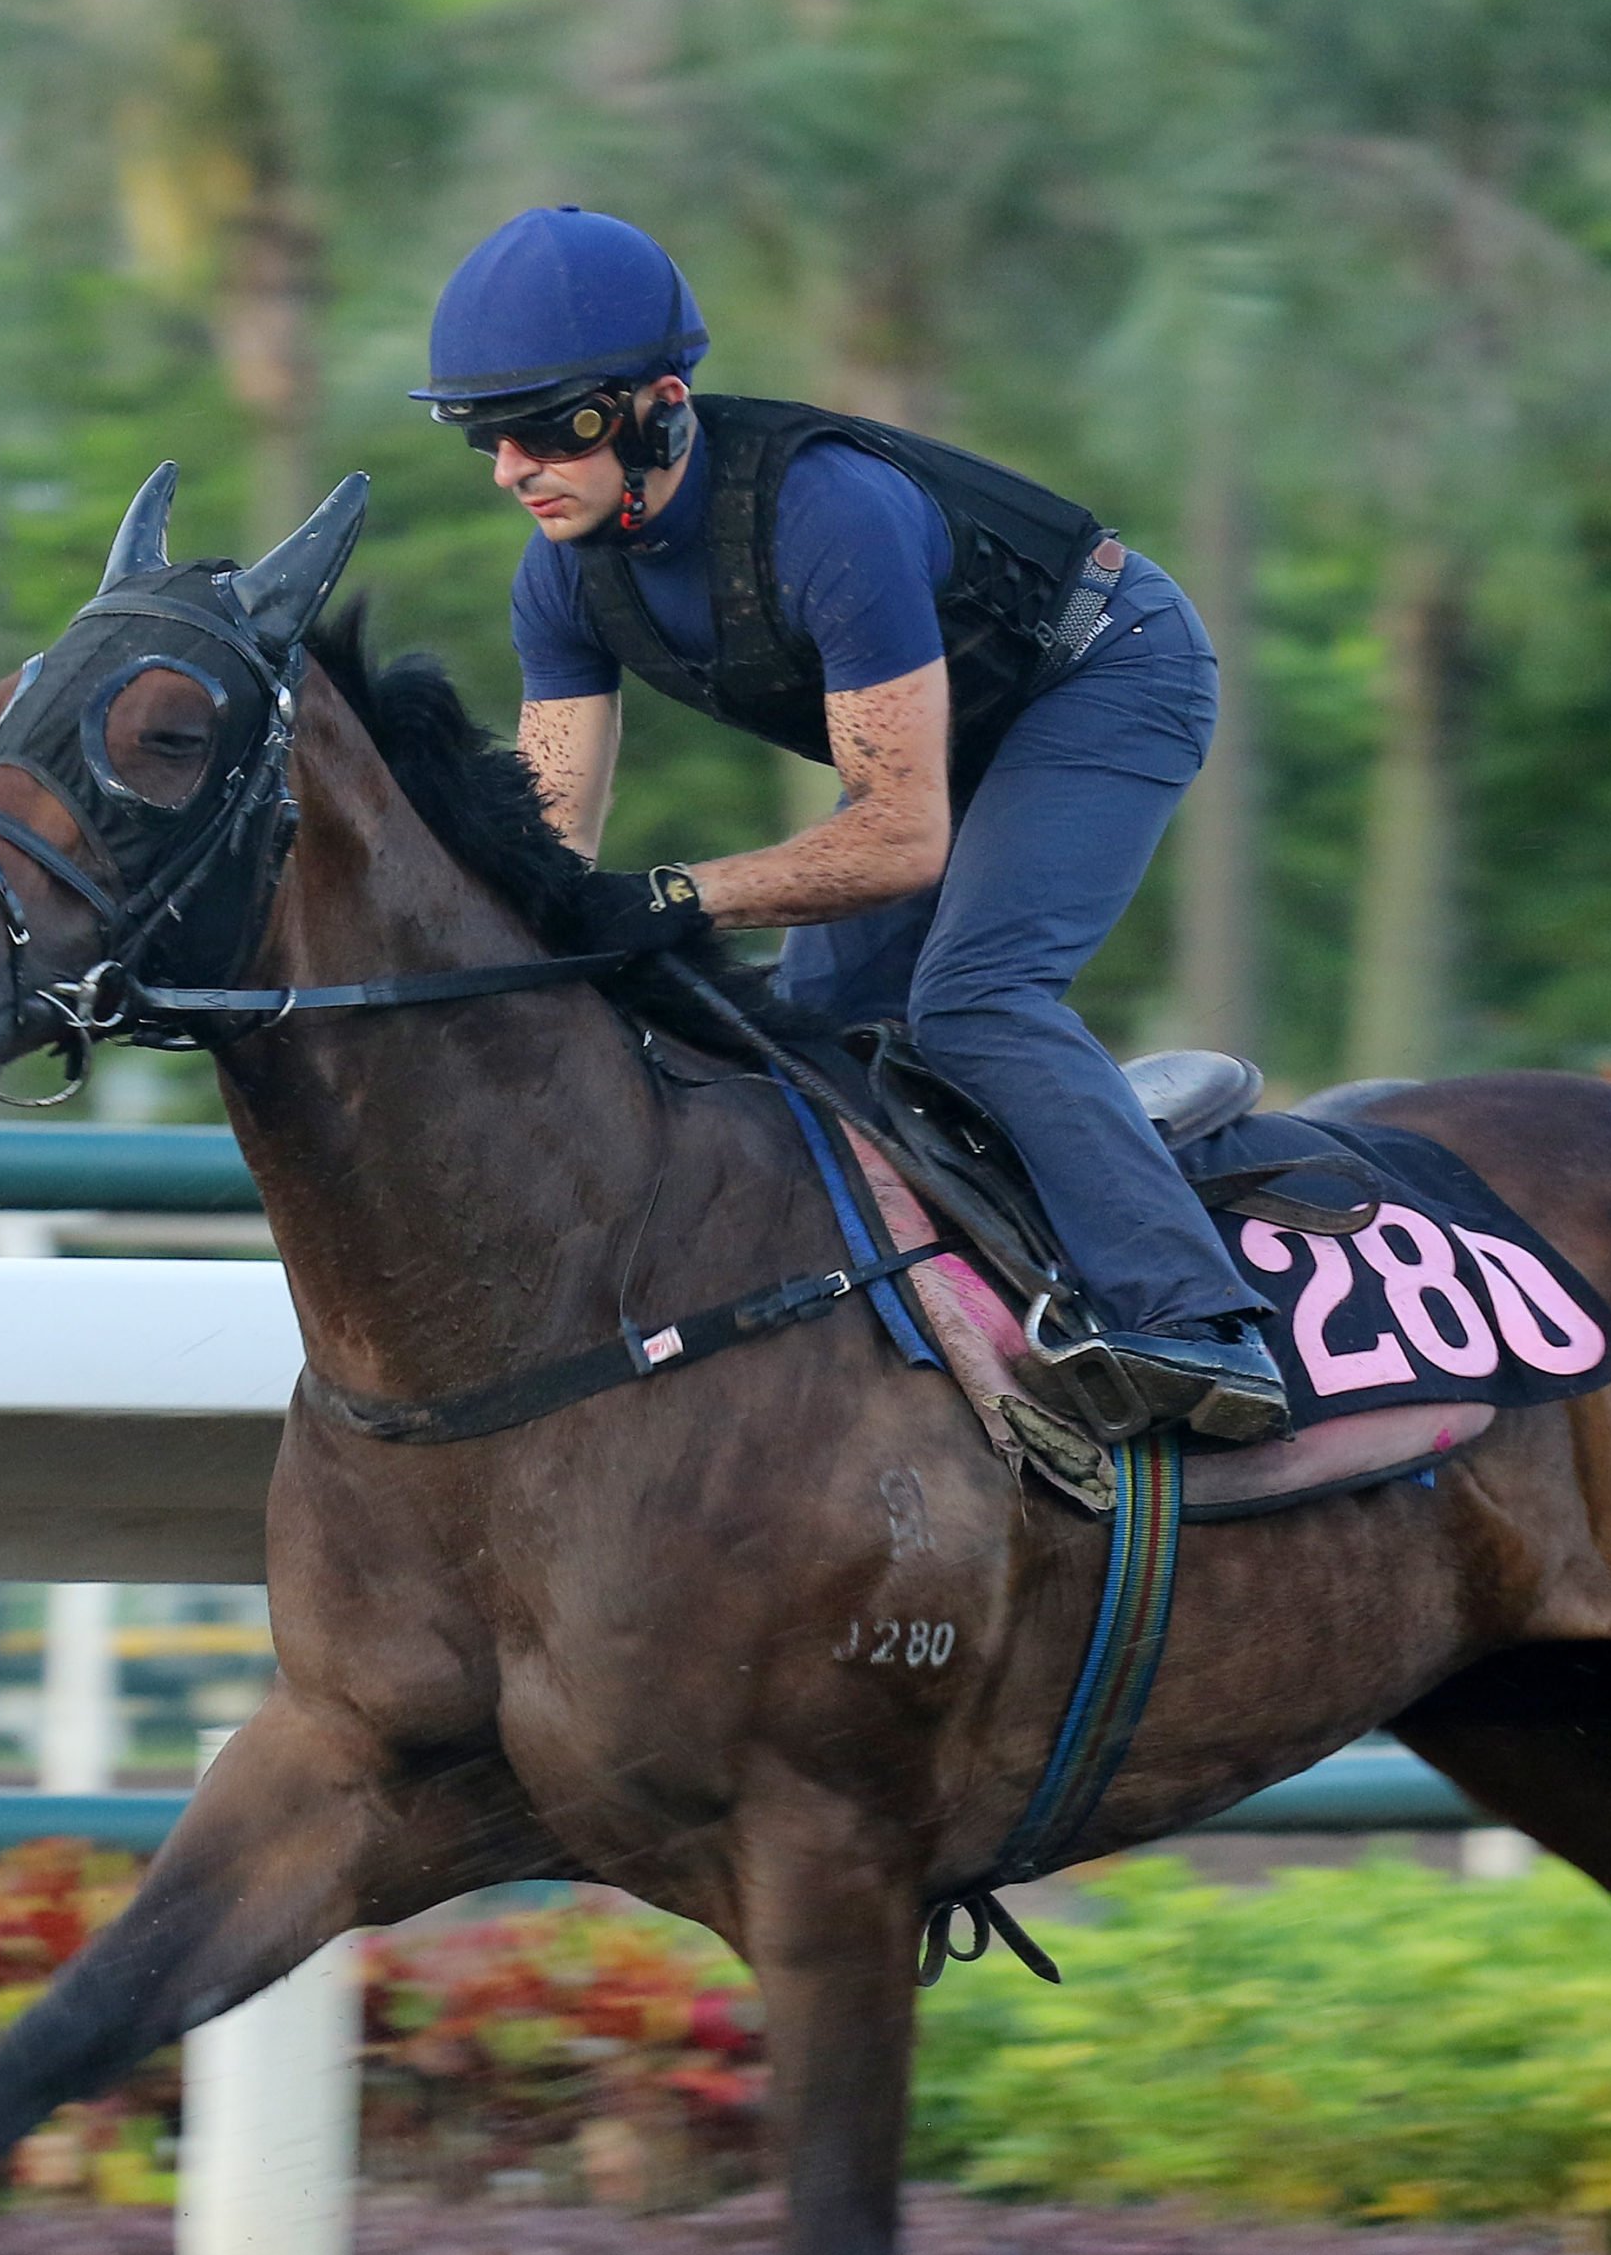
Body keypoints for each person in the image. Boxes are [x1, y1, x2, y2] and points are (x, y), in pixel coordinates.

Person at [415, 205, 1287, 1445]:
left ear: (663, 405)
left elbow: (900, 841)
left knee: (974, 999)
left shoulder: (829, 513)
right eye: (484, 437)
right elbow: (548, 842)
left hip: (1105, 671)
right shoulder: (558, 579)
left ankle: (1197, 1323)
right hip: (950, 734)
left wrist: (671, 898)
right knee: (798, 1034)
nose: (513, 468)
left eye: (551, 428)